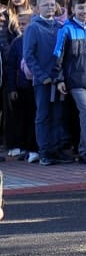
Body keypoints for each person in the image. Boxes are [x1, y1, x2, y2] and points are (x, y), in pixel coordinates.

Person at [53, 0, 86, 165]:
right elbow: (58, 55)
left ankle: (84, 149)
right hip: (74, 81)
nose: (84, 12)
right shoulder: (66, 29)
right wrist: (59, 79)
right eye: (80, 8)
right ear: (72, 9)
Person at [24, 0, 71, 166]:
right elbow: (29, 56)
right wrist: (42, 76)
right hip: (42, 81)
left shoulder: (61, 27)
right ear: (37, 9)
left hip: (58, 80)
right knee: (43, 116)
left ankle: (57, 148)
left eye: (52, 4)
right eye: (45, 5)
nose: (50, 8)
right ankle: (45, 151)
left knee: (58, 115)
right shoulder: (33, 28)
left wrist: (60, 78)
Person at [2, 0, 32, 159]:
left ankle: (29, 144)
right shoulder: (7, 15)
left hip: (31, 68)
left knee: (30, 108)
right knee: (13, 108)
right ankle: (15, 143)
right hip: (13, 65)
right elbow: (3, 40)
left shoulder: (34, 14)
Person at [4, 13, 37, 163]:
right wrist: (12, 88)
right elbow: (10, 67)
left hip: (37, 84)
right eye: (20, 24)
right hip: (22, 86)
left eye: (25, 23)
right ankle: (23, 146)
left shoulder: (37, 38)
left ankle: (33, 147)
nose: (22, 27)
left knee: (35, 118)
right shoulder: (17, 43)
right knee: (24, 118)